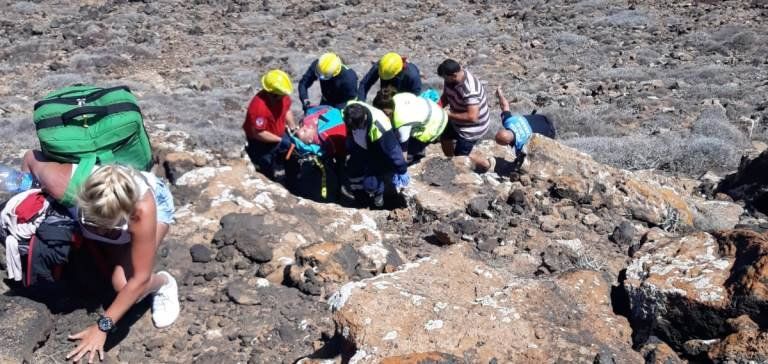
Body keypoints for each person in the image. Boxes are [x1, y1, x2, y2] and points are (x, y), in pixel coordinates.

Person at [21, 153, 179, 363]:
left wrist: (102, 327)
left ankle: (164, 283)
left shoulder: (141, 211)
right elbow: (30, 158)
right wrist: (27, 197)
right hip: (105, 206)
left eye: (109, 228)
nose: (102, 231)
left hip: (155, 202)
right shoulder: (59, 183)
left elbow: (138, 279)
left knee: (123, 284)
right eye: (93, 222)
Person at [342, 102, 410, 208]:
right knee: (353, 172)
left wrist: (402, 170)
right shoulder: (350, 109)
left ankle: (379, 199)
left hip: (376, 150)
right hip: (360, 146)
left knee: (371, 185)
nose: (354, 129)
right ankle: (361, 201)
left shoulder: (380, 128)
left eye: (356, 127)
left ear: (363, 120)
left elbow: (393, 150)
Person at [437, 59, 491, 170]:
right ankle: (450, 163)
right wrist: (437, 107)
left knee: (461, 156)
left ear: (454, 75)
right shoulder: (450, 79)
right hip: (456, 118)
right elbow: (446, 95)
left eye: (445, 78)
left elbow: (472, 117)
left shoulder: (470, 89)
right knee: (445, 137)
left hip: (472, 128)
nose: (444, 80)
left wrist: (448, 114)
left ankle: (487, 164)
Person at [243, 69, 297, 181]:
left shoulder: (282, 95)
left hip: (279, 133)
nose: (283, 97)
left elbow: (286, 110)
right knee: (266, 167)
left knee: (289, 154)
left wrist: (293, 128)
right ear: (271, 94)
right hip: (261, 143)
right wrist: (279, 140)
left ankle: (289, 178)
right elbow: (259, 133)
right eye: (280, 96)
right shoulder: (259, 107)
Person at [372, 87, 447, 165]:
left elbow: (403, 152)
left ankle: (417, 155)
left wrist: (401, 167)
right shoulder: (392, 99)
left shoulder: (402, 122)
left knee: (404, 155)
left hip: (436, 123)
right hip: (431, 110)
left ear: (387, 112)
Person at [492, 86, 557, 169]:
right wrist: (500, 94)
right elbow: (504, 105)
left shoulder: (520, 146)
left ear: (506, 143)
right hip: (542, 118)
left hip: (550, 132)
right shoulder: (508, 121)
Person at [358, 52, 422, 102]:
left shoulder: (412, 76)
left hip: (405, 99)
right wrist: (360, 103)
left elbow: (415, 98)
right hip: (386, 96)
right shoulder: (382, 66)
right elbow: (365, 84)